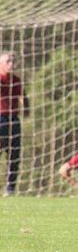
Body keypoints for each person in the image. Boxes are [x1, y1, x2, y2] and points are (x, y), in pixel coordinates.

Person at [0, 52, 29, 197]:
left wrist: (27, 109)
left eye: (13, 61)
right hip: (1, 118)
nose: (11, 64)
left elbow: (23, 96)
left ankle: (10, 188)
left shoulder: (16, 80)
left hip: (13, 119)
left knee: (14, 154)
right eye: (8, 61)